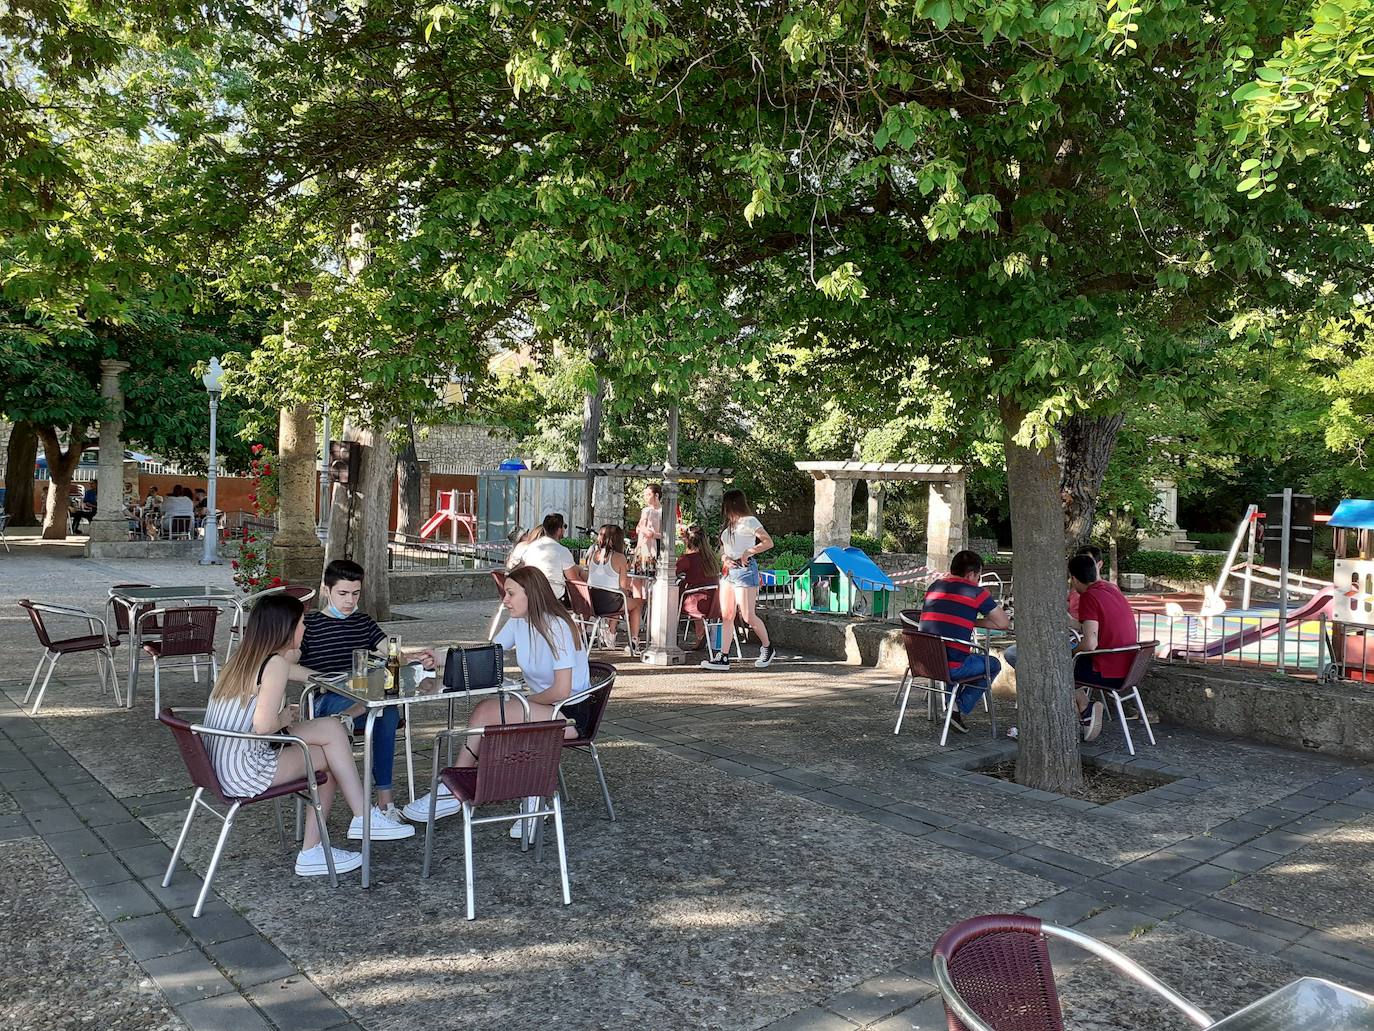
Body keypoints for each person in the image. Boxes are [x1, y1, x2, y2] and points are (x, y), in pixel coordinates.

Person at [404, 565, 591, 830]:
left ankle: (457, 789)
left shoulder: (557, 626)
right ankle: (507, 792)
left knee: (488, 712)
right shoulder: (519, 622)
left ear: (531, 595)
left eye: (511, 594)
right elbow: (487, 654)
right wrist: (440, 655)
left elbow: (562, 690)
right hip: (543, 704)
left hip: (570, 712)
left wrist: (524, 701)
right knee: (488, 711)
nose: (504, 600)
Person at [202, 594, 371, 876]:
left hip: (215, 766)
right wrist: (285, 716)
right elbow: (263, 726)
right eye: (303, 623)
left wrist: (332, 679)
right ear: (287, 628)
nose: (306, 629)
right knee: (328, 761)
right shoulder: (274, 665)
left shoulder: (243, 659)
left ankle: (363, 817)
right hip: (244, 771)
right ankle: (317, 848)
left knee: (330, 727)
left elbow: (299, 673)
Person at [290, 558, 435, 837]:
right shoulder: (310, 624)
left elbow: (391, 653)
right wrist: (319, 677)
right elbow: (286, 664)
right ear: (326, 590)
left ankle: (384, 803)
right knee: (380, 710)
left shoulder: (362, 621)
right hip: (325, 699)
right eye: (343, 593)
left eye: (355, 593)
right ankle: (371, 804)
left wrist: (416, 657)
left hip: (363, 696)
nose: (349, 601)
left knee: (387, 710)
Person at [918, 550, 1011, 733]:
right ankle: (957, 708)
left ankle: (951, 708)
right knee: (992, 664)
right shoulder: (976, 593)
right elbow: (1003, 623)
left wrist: (969, 620)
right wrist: (974, 620)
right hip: (952, 667)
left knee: (953, 653)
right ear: (971, 574)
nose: (979, 580)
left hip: (926, 662)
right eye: (979, 576)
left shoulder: (935, 586)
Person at [701, 489, 777, 671]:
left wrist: (749, 551)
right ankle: (723, 656)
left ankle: (767, 647)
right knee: (727, 614)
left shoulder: (750, 521)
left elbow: (768, 541)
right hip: (729, 571)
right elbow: (722, 549)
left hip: (744, 569)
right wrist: (724, 558)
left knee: (748, 615)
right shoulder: (730, 526)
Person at [1069, 553, 1139, 742]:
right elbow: (1099, 624)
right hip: (1131, 667)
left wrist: (1070, 654)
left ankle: (1086, 709)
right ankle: (1084, 713)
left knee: (1054, 668)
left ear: (1073, 578)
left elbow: (1090, 644)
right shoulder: (1112, 589)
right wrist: (1072, 623)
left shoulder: (1088, 596)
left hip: (1108, 670)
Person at [1004, 544, 1103, 670]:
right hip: (1076, 641)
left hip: (1087, 650)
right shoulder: (1106, 591)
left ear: (1098, 565)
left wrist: (1070, 654)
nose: (1082, 568)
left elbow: (1090, 641)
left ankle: (1061, 687)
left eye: (1088, 563)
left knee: (1014, 653)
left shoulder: (1089, 595)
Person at [585, 523, 644, 652]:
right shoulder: (620, 557)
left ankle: (610, 632)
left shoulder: (593, 554)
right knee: (635, 605)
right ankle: (634, 641)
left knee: (617, 596)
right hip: (609, 603)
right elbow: (622, 586)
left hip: (591, 602)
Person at [516, 512, 584, 602]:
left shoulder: (530, 547)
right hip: (555, 597)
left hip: (533, 595)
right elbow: (574, 581)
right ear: (560, 530)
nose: (564, 529)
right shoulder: (562, 551)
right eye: (564, 526)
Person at [675, 525, 719, 650]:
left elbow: (670, 572)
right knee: (695, 591)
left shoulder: (687, 559)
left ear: (687, 541)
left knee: (669, 600)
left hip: (696, 603)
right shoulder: (712, 558)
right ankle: (700, 634)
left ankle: (671, 635)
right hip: (713, 603)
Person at [633, 483, 662, 567]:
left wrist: (653, 534)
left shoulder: (662, 512)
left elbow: (666, 534)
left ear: (656, 495)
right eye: (645, 495)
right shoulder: (645, 510)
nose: (646, 497)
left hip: (655, 545)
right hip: (642, 545)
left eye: (648, 494)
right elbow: (638, 527)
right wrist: (640, 529)